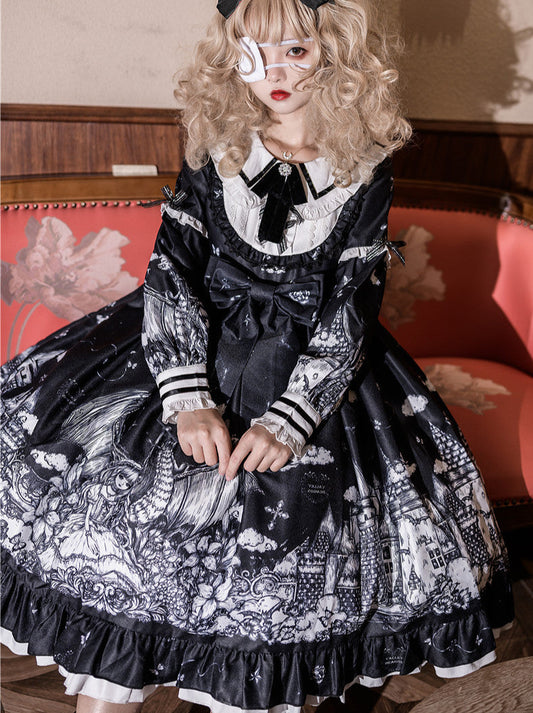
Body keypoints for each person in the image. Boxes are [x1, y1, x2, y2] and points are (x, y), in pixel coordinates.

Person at [0, 0, 514, 711]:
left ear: (335, 52)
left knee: (286, 553)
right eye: (251, 51)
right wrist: (187, 398)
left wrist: (289, 419)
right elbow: (171, 271)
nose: (273, 73)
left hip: (310, 370)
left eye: (295, 51)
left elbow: (350, 306)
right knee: (122, 525)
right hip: (187, 352)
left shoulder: (366, 169)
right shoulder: (215, 148)